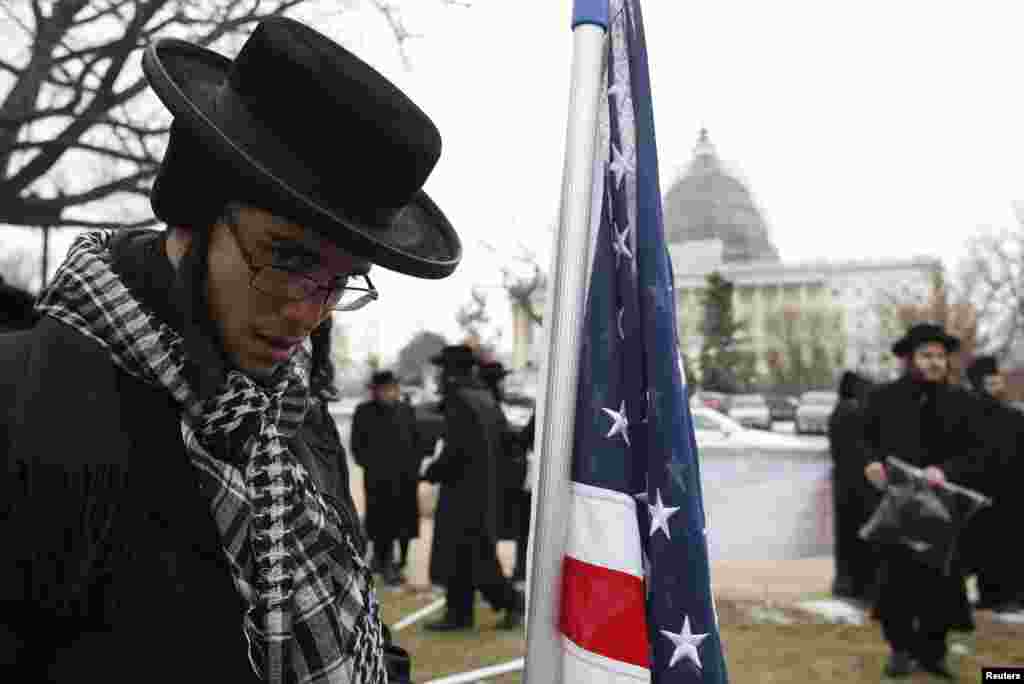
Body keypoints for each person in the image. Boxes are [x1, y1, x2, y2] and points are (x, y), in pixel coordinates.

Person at [0, 16, 460, 683]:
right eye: (287, 256)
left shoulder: (296, 414)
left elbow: (359, 614)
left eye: (340, 281)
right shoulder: (29, 411)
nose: (307, 314)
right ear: (194, 210)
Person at [861, 323, 989, 680]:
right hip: (897, 508)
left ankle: (934, 653)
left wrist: (947, 470)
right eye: (926, 356)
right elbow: (865, 440)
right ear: (910, 359)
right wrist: (870, 463)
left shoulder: (964, 402)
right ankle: (900, 650)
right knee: (896, 583)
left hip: (943, 511)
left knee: (942, 586)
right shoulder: (883, 398)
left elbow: (980, 453)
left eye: (940, 356)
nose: (934, 363)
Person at [422, 346, 525, 631]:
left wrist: (433, 471)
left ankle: (512, 602)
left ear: (453, 372)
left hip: (462, 492)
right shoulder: (484, 397)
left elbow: (457, 448)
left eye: (442, 368)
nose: (439, 375)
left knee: (476, 558)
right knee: (465, 556)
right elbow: (505, 442)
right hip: (484, 489)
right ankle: (459, 614)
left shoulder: (460, 399)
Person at [959, 355, 1024, 613]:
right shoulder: (1011, 414)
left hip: (991, 493)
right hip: (1004, 493)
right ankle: (1006, 596)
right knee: (1003, 546)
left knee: (992, 546)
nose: (999, 386)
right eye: (994, 381)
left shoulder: (971, 413)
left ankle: (999, 596)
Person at [350, 370, 423, 585]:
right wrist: (370, 465)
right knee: (380, 522)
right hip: (377, 478)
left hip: (404, 477)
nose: (390, 393)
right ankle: (382, 561)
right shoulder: (364, 411)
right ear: (375, 391)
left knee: (403, 523)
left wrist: (414, 467)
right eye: (385, 389)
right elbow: (357, 445)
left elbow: (416, 441)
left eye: (393, 388)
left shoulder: (406, 410)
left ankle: (398, 563)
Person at [827, 370, 879, 602]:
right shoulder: (854, 412)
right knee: (859, 535)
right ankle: (859, 585)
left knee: (845, 536)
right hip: (858, 485)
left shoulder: (838, 411)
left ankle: (845, 583)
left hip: (842, 483)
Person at [478, 360, 529, 581]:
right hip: (500, 481)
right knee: (504, 530)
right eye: (501, 382)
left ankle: (510, 573)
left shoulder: (487, 405)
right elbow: (509, 441)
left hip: (499, 479)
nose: (504, 387)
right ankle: (503, 576)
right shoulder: (490, 407)